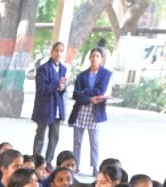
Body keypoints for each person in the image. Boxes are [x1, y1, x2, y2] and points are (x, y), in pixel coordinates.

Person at [68, 49, 112, 177]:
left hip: (95, 111)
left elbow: (101, 90)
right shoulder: (82, 75)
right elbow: (76, 94)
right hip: (81, 110)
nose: (94, 58)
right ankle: (75, 165)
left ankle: (95, 167)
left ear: (101, 59)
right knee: (77, 141)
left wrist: (85, 91)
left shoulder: (106, 74)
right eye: (92, 56)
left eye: (97, 56)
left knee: (94, 142)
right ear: (89, 58)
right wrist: (88, 98)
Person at [32, 43, 69, 161]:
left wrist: (62, 89)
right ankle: (36, 161)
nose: (59, 53)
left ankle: (48, 161)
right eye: (56, 50)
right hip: (45, 108)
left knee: (54, 137)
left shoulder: (63, 69)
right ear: (52, 52)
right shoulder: (43, 69)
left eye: (61, 51)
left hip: (57, 108)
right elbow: (41, 89)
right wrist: (57, 84)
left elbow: (61, 89)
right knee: (40, 136)